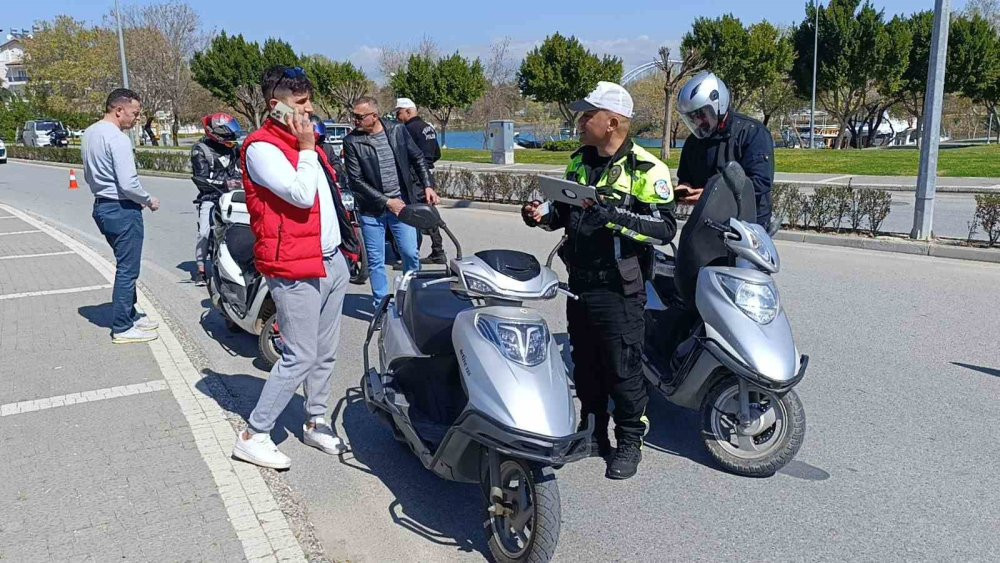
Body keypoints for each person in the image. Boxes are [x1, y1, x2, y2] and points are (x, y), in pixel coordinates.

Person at [521, 81, 677, 480]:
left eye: (588, 115)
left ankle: (629, 442)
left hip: (619, 286)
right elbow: (564, 213)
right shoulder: (579, 162)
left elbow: (664, 229)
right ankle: (592, 434)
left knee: (623, 369)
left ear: (612, 122)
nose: (580, 121)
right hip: (580, 283)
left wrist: (613, 216)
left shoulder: (646, 168)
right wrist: (540, 215)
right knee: (586, 363)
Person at [231, 66, 361, 470]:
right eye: (300, 102)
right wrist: (306, 147)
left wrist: (347, 251)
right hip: (293, 265)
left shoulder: (308, 145)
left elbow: (330, 198)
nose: (309, 109)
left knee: (325, 351)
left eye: (309, 100)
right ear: (277, 105)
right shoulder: (262, 148)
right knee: (300, 355)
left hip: (330, 260)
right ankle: (254, 434)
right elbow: (301, 195)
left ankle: (315, 420)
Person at [343, 96, 439, 307]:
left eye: (359, 117)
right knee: (376, 261)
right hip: (371, 210)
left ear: (374, 116)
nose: (354, 120)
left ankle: (411, 301)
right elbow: (356, 181)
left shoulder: (397, 130)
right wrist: (387, 202)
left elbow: (417, 158)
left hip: (402, 206)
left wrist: (428, 185)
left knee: (410, 253)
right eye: (353, 116)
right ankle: (381, 306)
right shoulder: (351, 141)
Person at [82, 88, 161, 344]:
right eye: (134, 113)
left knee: (125, 264)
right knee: (128, 269)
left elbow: (88, 175)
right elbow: (128, 183)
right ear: (119, 110)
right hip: (122, 209)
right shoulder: (117, 139)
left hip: (102, 206)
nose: (137, 119)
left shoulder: (90, 133)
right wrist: (148, 200)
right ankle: (123, 327)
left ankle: (131, 314)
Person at [674, 71, 774, 228]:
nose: (698, 121)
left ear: (718, 105)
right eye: (692, 117)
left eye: (701, 114)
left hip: (748, 222)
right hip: (709, 221)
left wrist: (710, 197)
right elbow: (686, 176)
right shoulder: (693, 142)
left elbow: (759, 184)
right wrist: (684, 188)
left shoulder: (752, 133)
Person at [191, 112, 244, 286]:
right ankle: (200, 269)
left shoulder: (234, 148)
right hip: (211, 196)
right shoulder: (200, 150)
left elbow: (243, 169)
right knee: (204, 232)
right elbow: (201, 179)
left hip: (234, 196)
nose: (231, 140)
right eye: (227, 135)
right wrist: (226, 183)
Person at [394, 97, 445, 265]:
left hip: (414, 176)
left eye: (399, 113)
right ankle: (437, 250)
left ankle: (411, 255)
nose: (397, 117)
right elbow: (437, 153)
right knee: (427, 212)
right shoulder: (428, 128)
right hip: (427, 175)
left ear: (408, 111)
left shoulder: (406, 130)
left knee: (412, 214)